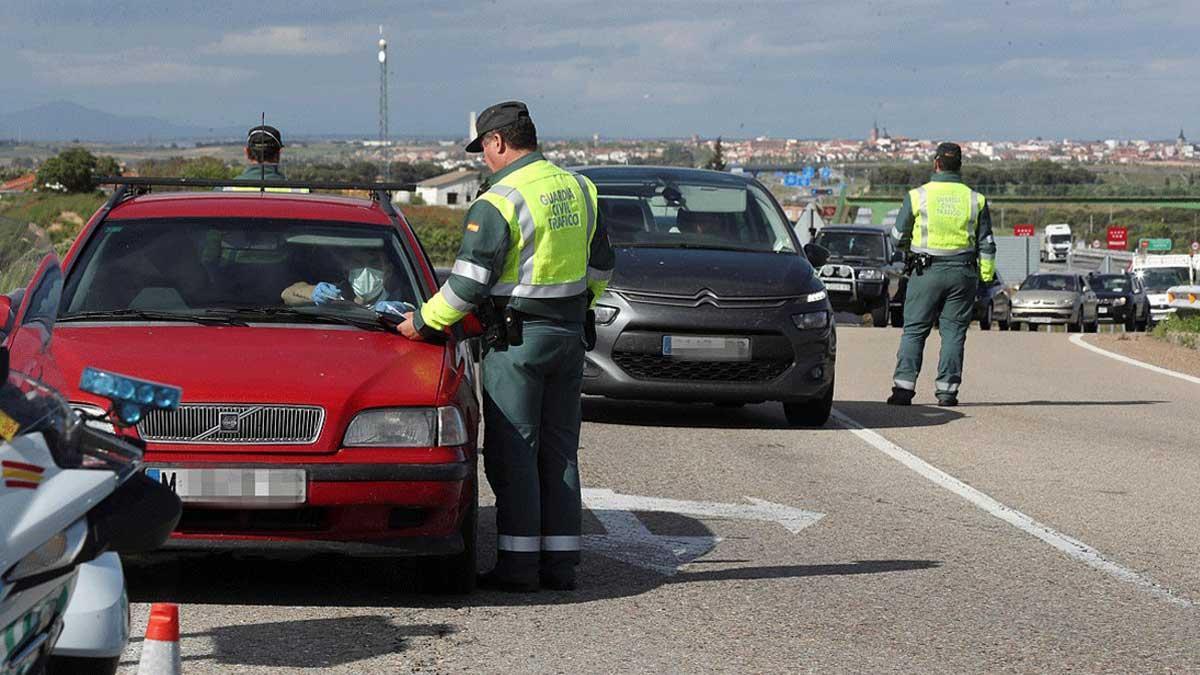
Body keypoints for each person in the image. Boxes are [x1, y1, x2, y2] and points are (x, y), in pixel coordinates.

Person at [395, 101, 615, 592]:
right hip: (568, 335)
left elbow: (468, 285)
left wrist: (424, 322)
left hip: (516, 342)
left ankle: (518, 569)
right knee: (560, 451)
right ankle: (560, 567)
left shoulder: (500, 200)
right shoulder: (581, 189)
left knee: (514, 452)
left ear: (497, 142)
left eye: (484, 150)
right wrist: (578, 305)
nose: (483, 160)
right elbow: (602, 265)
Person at [887, 142, 996, 407]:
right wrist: (985, 277)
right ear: (959, 166)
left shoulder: (918, 196)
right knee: (954, 332)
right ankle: (947, 392)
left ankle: (903, 390)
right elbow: (987, 244)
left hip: (925, 271)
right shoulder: (975, 199)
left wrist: (907, 250)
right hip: (963, 273)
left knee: (914, 330)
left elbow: (898, 236)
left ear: (936, 164)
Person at [281, 245, 410, 315]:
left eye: (373, 263)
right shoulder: (336, 293)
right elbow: (287, 294)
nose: (365, 270)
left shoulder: (400, 298)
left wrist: (405, 312)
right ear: (346, 270)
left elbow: (417, 315)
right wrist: (314, 292)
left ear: (388, 270)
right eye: (358, 263)